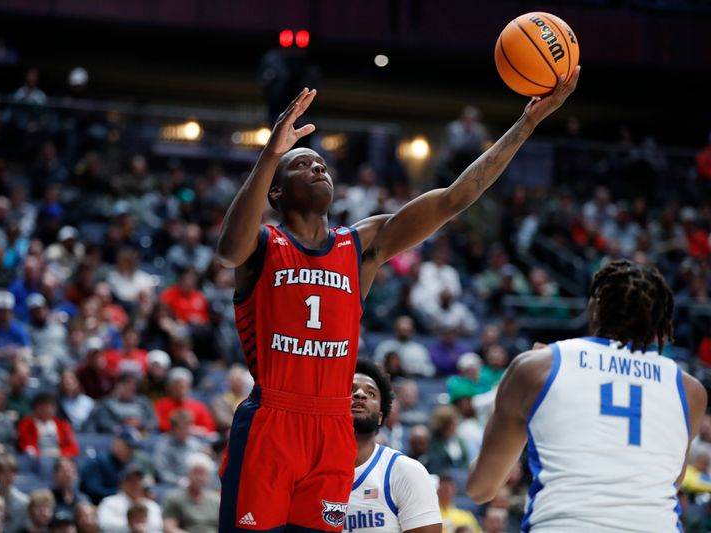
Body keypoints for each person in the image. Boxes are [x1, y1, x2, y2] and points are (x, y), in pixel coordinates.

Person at [216, 72, 579, 531]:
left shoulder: (361, 245)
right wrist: (271, 153)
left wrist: (526, 124)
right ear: (276, 190)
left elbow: (454, 199)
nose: (319, 168)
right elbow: (228, 250)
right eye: (303, 164)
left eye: (322, 164)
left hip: (332, 428)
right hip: (273, 419)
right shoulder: (262, 244)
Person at [467, 259, 708, 532]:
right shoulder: (691, 391)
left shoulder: (538, 367)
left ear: (594, 309)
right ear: (660, 323)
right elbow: (670, 483)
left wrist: (530, 408)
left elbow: (481, 488)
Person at [345, 359, 441, 533]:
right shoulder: (308, 470)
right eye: (350, 390)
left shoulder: (405, 471)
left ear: (381, 416)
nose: (360, 394)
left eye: (371, 393)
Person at [162, 453, 219, 533]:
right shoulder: (174, 498)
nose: (199, 477)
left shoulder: (216, 500)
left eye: (203, 473)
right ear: (188, 473)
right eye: (196, 472)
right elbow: (168, 527)